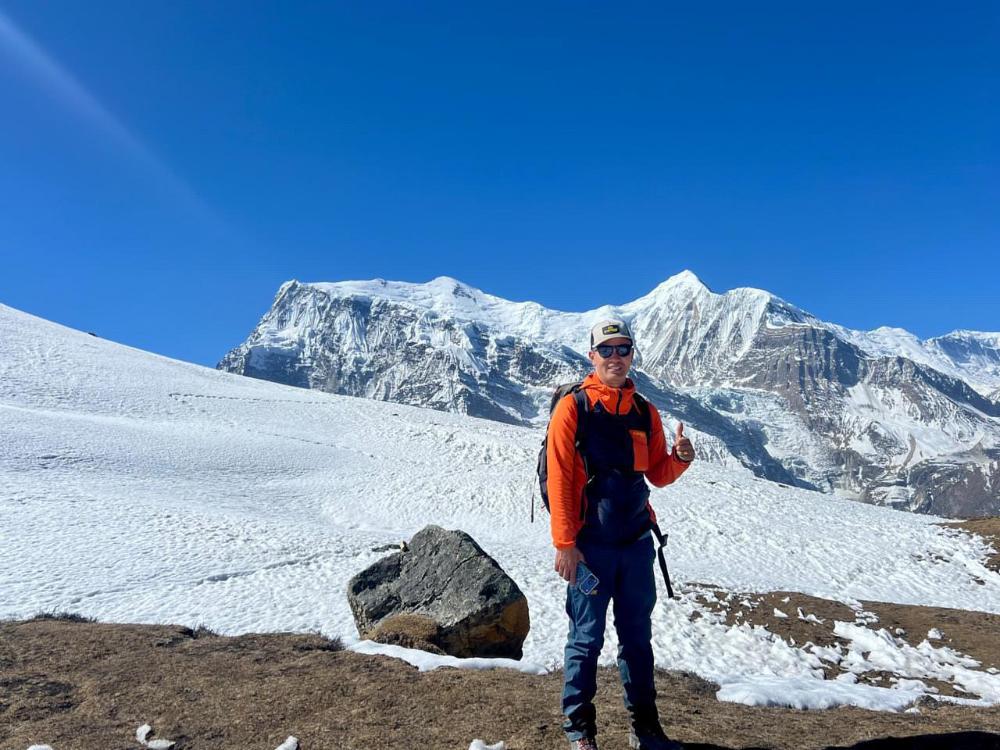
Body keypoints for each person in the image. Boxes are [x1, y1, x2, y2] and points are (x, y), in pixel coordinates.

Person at [547, 319, 694, 750]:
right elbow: (558, 479)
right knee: (585, 640)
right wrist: (565, 544)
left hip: (635, 544)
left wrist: (680, 458)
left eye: (623, 349)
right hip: (589, 547)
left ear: (632, 354)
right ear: (591, 356)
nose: (616, 357)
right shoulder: (574, 407)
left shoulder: (644, 411)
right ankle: (580, 732)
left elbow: (658, 475)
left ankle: (646, 730)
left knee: (637, 638)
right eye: (606, 350)